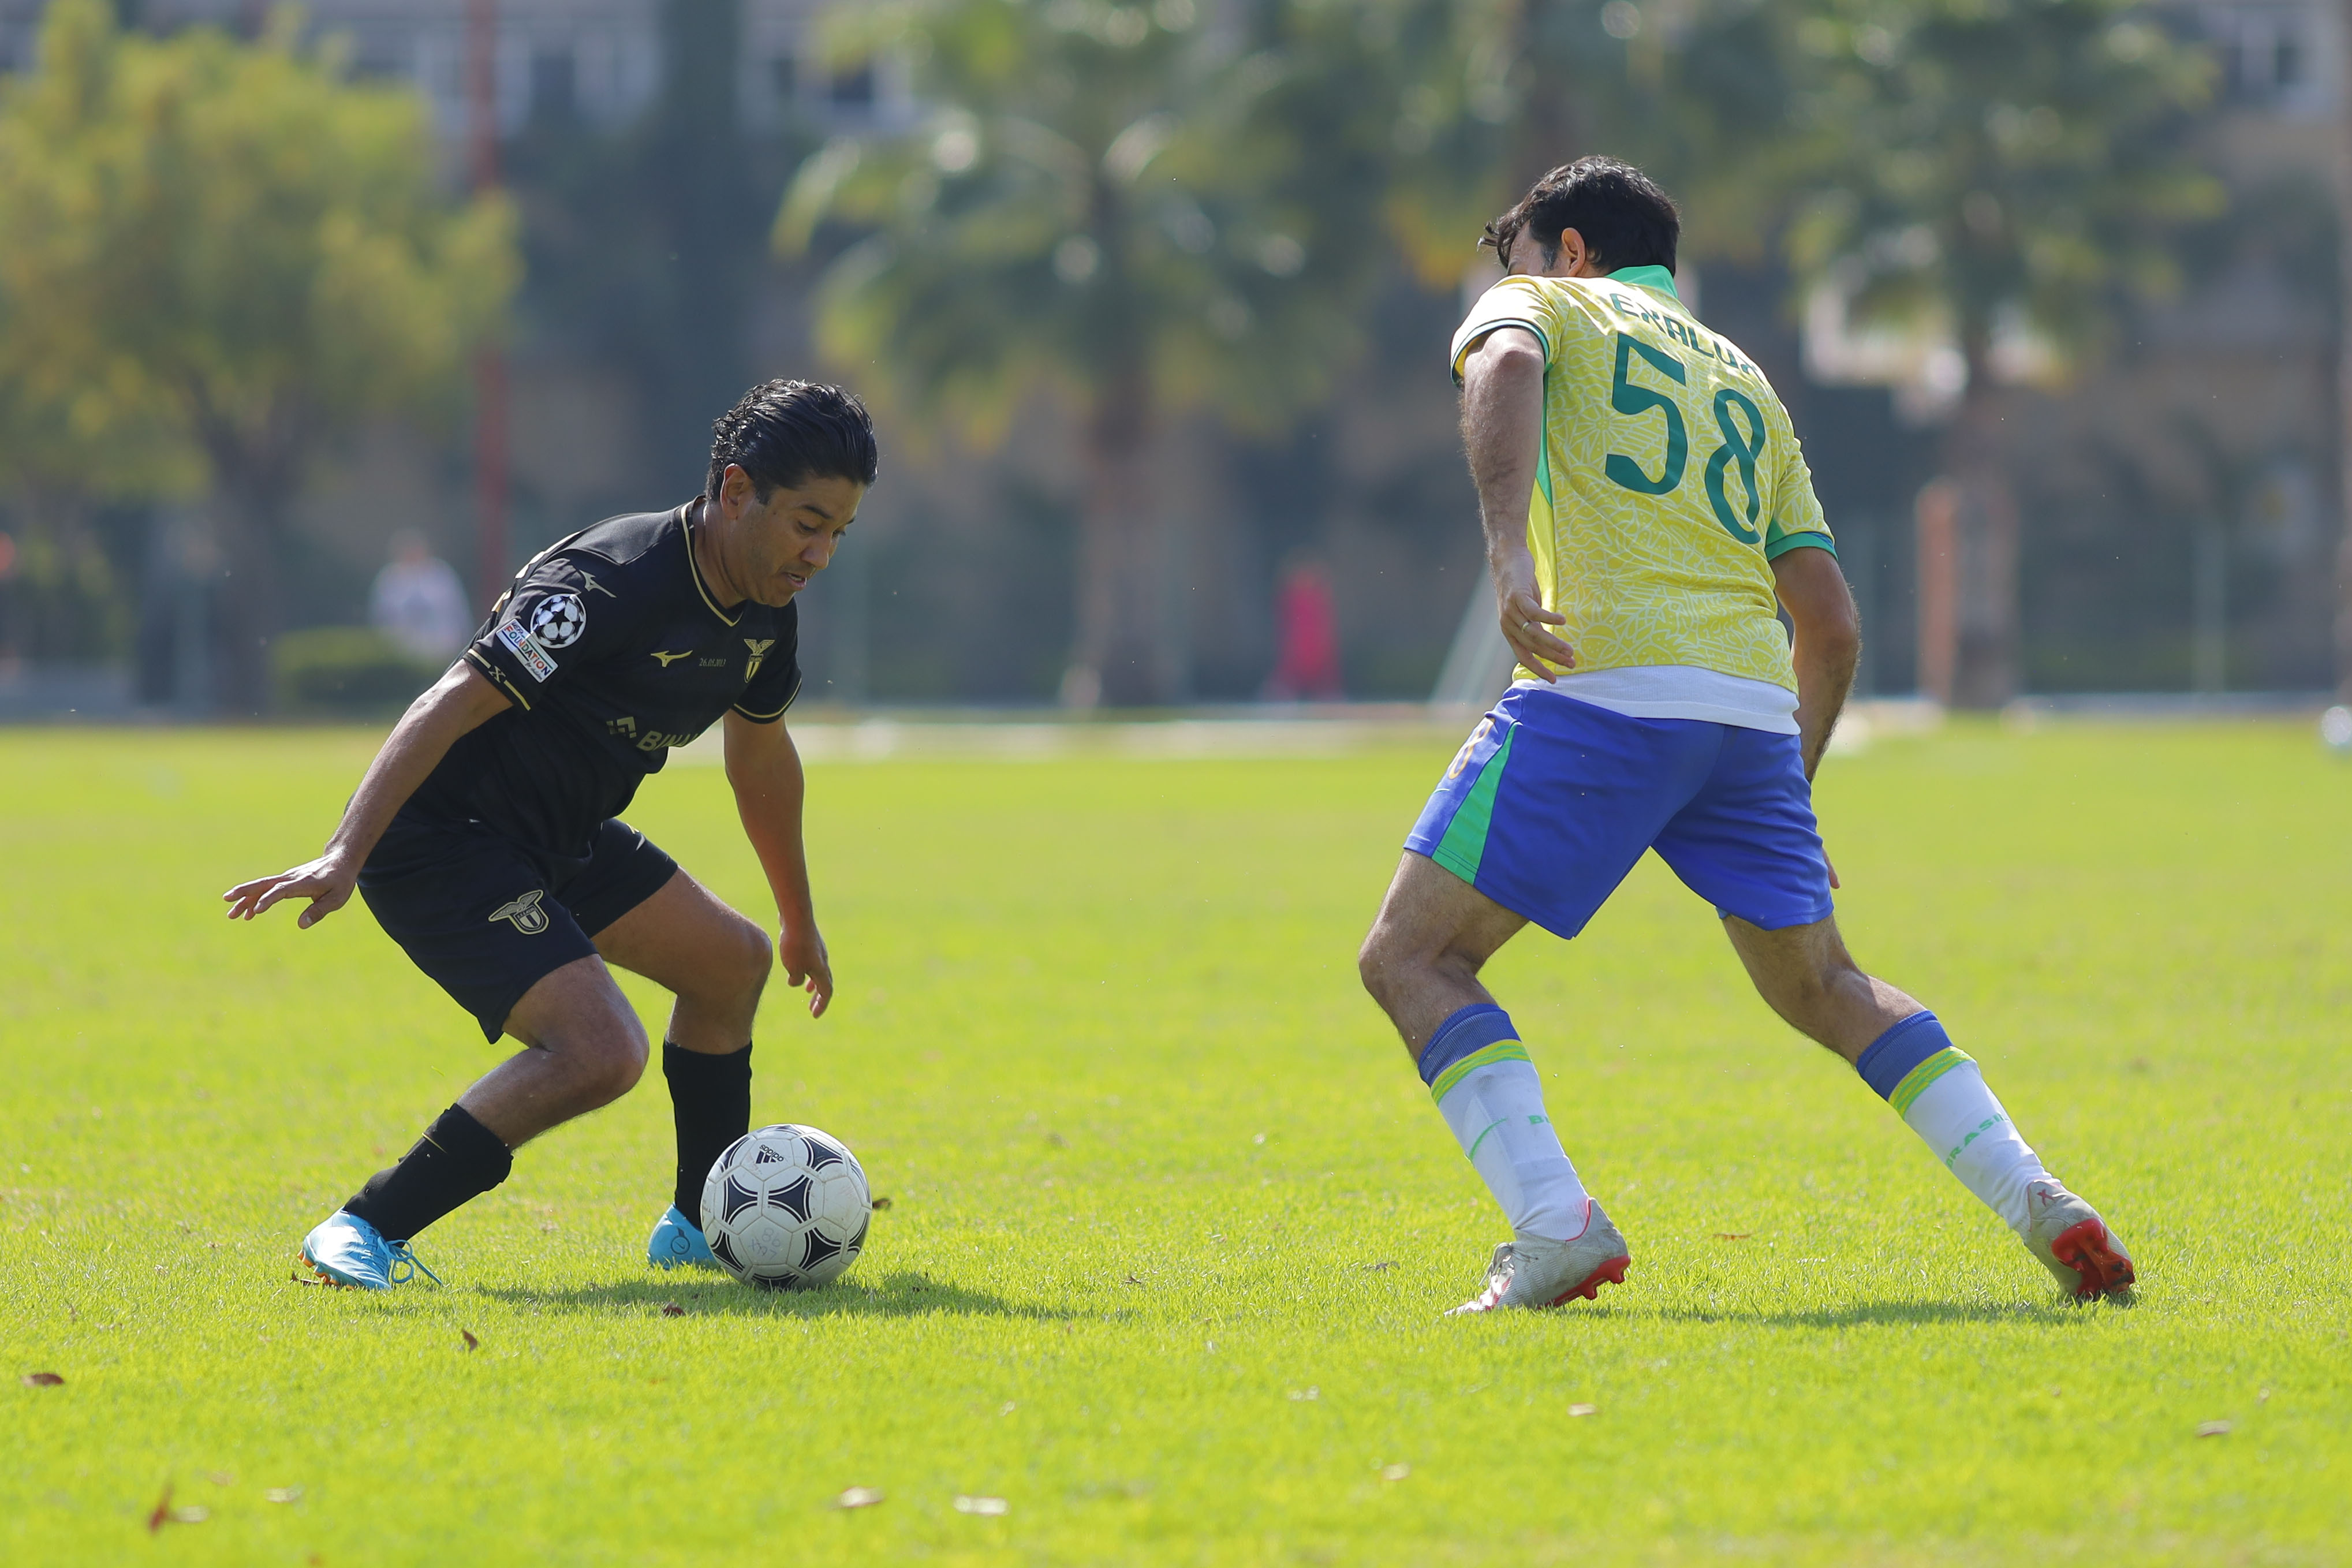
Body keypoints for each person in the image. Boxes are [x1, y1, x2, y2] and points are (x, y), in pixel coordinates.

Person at [1356, 159, 2134, 1315]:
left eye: (1520, 262)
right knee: (1828, 983)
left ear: (1569, 251)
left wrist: (1510, 549)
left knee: (1410, 958)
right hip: (1751, 718)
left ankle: (1554, 1225)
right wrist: (1790, 786)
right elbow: (1830, 622)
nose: (1508, 285)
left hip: (1604, 690)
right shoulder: (1745, 379)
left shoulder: (1546, 306)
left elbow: (1505, 363)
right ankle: (2036, 1192)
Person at [225, 380, 878, 1290]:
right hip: (443, 842)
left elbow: (761, 758)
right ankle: (364, 1226)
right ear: (737, 491)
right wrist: (346, 849)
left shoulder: (768, 613)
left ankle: (698, 1226)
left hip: (561, 838)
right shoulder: (608, 581)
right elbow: (453, 699)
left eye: (839, 532)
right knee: (600, 1051)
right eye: (808, 524)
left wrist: (797, 919)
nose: (820, 554)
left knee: (731, 964)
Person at [369, 530, 473, 663]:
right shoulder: (388, 579)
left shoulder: (442, 574)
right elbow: (381, 617)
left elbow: (459, 611)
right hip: (401, 655)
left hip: (443, 651)